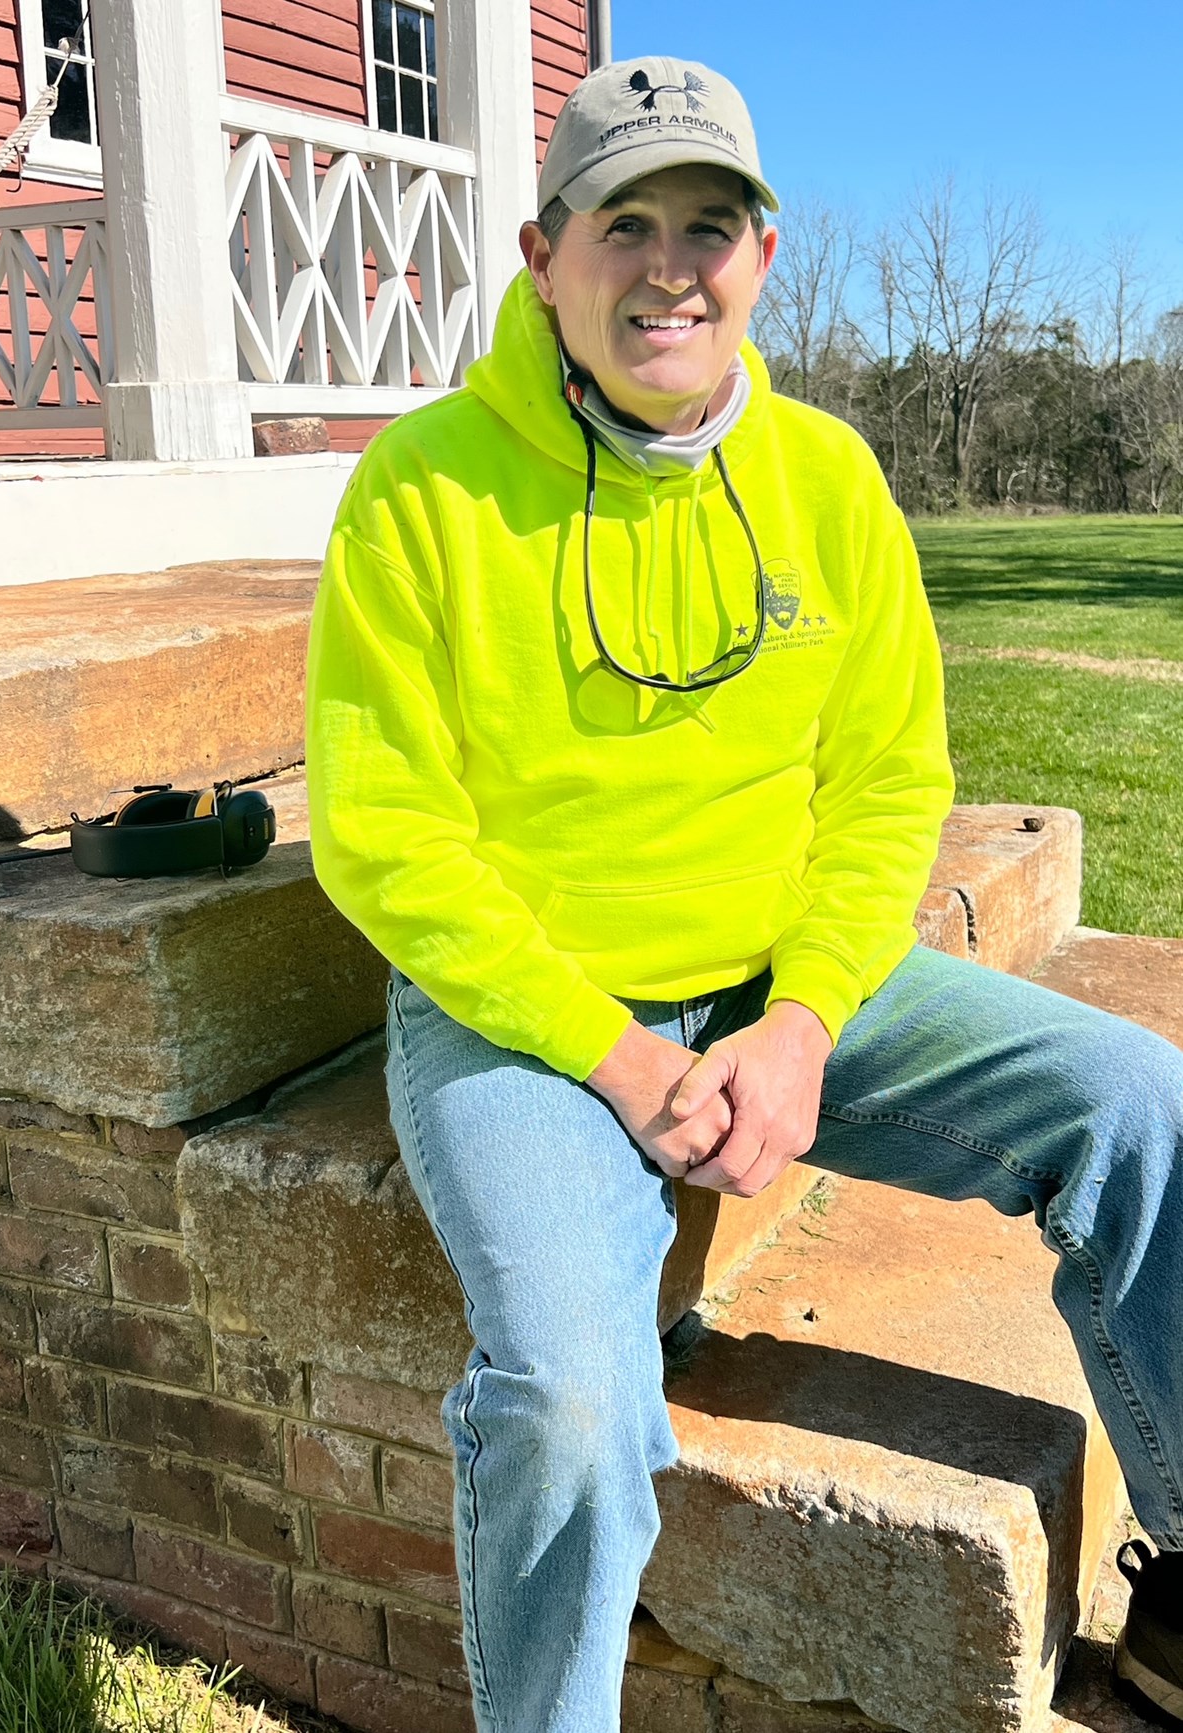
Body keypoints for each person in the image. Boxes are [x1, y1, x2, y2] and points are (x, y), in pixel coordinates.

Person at [305, 56, 1183, 1733]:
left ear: (762, 260)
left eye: (711, 223)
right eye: (624, 222)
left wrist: (796, 1025)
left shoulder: (831, 481)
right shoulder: (419, 491)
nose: (669, 264)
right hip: (527, 1016)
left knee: (1143, 1105)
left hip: (784, 981)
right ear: (541, 250)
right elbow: (388, 837)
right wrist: (622, 1055)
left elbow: (884, 790)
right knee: (565, 1400)